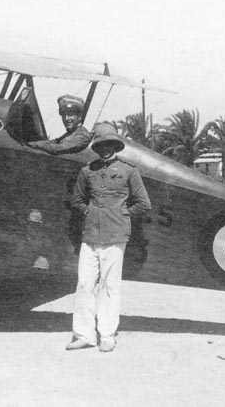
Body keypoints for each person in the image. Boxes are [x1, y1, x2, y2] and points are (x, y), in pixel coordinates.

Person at [66, 123, 151, 352]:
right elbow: (77, 200)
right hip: (90, 235)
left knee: (109, 286)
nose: (105, 149)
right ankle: (84, 335)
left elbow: (144, 203)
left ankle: (107, 336)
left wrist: (122, 215)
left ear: (115, 146)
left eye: (109, 145)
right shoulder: (87, 171)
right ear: (97, 147)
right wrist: (90, 212)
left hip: (115, 236)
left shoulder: (129, 170)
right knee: (84, 284)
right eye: (101, 146)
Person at [25, 95, 92, 155]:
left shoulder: (82, 135)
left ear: (79, 116)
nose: (66, 119)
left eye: (70, 114)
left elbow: (58, 149)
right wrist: (33, 143)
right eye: (64, 115)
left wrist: (37, 145)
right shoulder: (71, 133)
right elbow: (54, 142)